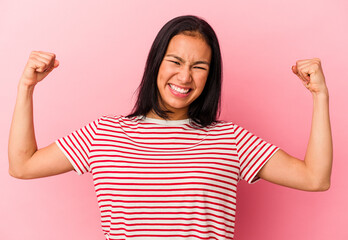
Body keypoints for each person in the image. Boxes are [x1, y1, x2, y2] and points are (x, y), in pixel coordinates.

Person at [8, 15, 332, 240]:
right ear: (156, 63)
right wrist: (26, 87)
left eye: (199, 66)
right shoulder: (103, 134)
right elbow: (23, 165)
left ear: (210, 77)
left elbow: (314, 178)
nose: (185, 77)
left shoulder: (230, 139)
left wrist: (319, 96)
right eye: (175, 62)